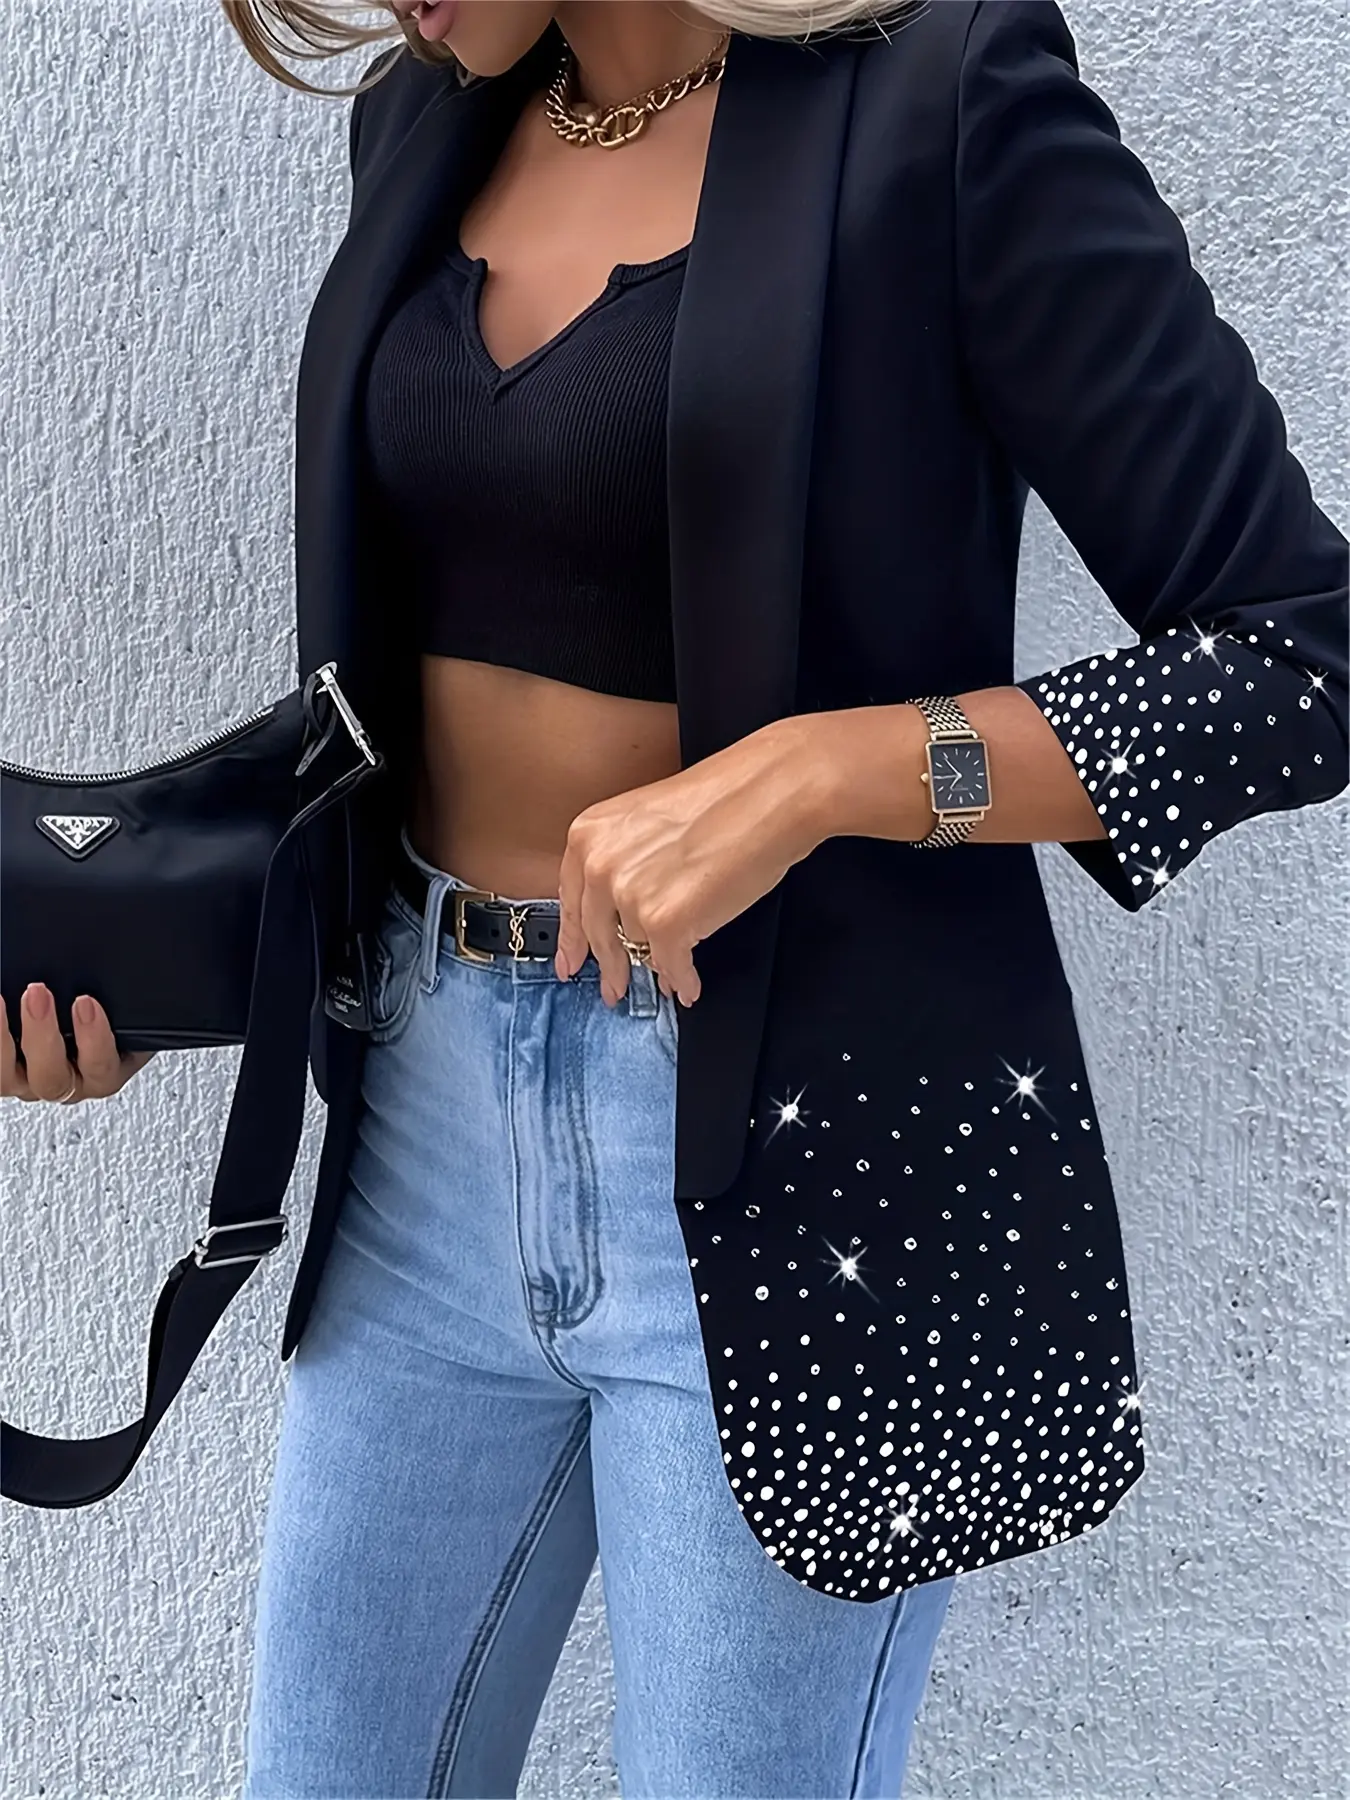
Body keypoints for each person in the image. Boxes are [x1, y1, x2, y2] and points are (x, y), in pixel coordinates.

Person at [5, 0, 1345, 1794]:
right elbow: (405, 692)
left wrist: (826, 775)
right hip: (421, 1138)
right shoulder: (429, 118)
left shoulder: (943, 99)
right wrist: (152, 953)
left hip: (793, 1160)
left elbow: (1296, 660)